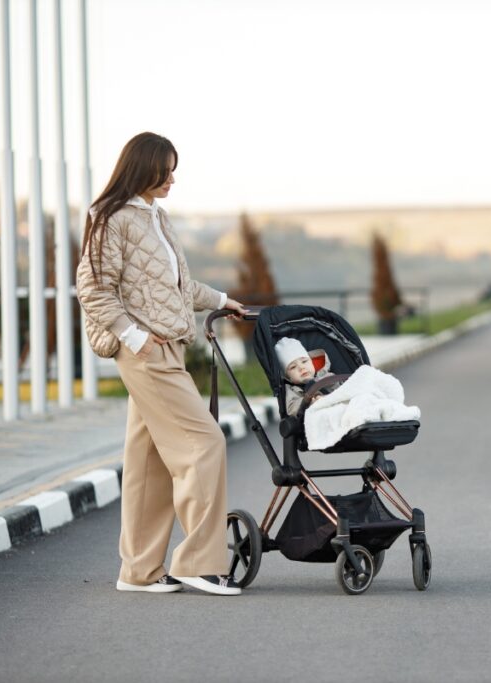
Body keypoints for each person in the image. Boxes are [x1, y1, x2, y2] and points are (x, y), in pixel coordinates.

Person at [76, 132, 248, 596]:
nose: (173, 178)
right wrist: (135, 339)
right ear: (143, 167)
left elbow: (179, 287)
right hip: (146, 353)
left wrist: (226, 301)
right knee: (204, 441)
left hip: (166, 347)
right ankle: (198, 562)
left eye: (175, 169)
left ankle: (139, 571)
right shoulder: (110, 218)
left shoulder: (156, 217)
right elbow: (92, 289)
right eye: (165, 169)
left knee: (149, 462)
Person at [275, 337, 336, 416]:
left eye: (304, 361)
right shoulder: (292, 390)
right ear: (287, 376)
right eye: (293, 367)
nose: (301, 368)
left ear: (312, 362)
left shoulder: (327, 377)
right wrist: (309, 402)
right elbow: (291, 408)